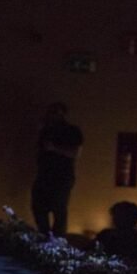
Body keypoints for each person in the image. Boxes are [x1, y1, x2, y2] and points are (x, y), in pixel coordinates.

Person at [31, 102, 84, 237]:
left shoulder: (71, 131)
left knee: (58, 209)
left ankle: (57, 242)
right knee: (38, 207)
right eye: (50, 111)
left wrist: (54, 149)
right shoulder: (46, 130)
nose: (52, 115)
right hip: (44, 174)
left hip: (62, 176)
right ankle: (45, 238)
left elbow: (75, 153)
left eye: (55, 112)